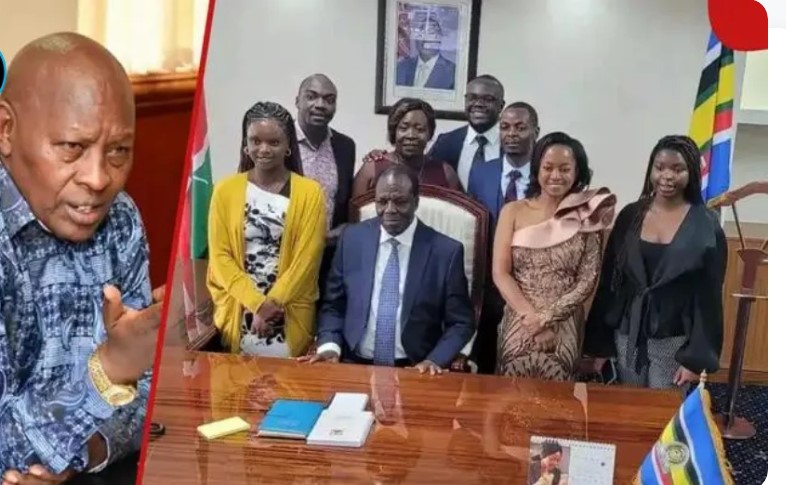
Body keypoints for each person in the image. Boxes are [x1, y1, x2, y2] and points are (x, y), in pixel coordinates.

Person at [0, 33, 163, 482]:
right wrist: (110, 370)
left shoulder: (120, 217)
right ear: (5, 129)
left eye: (118, 151)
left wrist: (83, 454)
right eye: (72, 148)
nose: (98, 179)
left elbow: (150, 393)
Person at [584, 135, 727, 389]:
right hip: (627, 333)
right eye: (660, 167)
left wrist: (695, 359)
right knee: (626, 406)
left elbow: (709, 298)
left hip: (675, 337)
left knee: (665, 408)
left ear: (692, 173)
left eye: (677, 169)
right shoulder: (630, 215)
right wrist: (600, 345)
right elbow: (610, 283)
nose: (667, 176)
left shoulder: (706, 225)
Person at [307, 165, 475, 373]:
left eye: (400, 202)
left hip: (415, 369)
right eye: (382, 201)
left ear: (416, 202)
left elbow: (461, 323)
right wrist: (330, 347)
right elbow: (333, 305)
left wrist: (434, 360)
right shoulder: (352, 239)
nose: (390, 210)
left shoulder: (445, 252)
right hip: (352, 363)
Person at [206, 102, 326, 358]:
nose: (263, 149)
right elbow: (220, 257)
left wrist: (272, 305)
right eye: (255, 141)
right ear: (245, 144)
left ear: (288, 145)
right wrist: (257, 304)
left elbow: (307, 260)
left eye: (274, 142)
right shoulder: (224, 191)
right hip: (239, 311)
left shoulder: (310, 193)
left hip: (289, 315)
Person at [493, 132, 615, 380]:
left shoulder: (587, 215)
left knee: (559, 382)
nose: (556, 176)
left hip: (565, 319)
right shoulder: (513, 211)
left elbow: (587, 280)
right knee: (511, 379)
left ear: (577, 172)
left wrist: (547, 318)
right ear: (537, 169)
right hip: (520, 314)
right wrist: (532, 320)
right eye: (548, 168)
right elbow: (500, 273)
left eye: (564, 169)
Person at [467, 101, 540, 374]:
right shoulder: (481, 172)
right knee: (485, 363)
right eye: (505, 127)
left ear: (535, 132)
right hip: (488, 285)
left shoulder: (545, 176)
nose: (511, 134)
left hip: (530, 287)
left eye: (520, 127)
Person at [293, 74, 356, 304]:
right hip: (287, 260)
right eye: (311, 97)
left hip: (329, 262)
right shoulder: (279, 141)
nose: (320, 104)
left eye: (329, 100)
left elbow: (345, 199)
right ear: (297, 101)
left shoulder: (345, 146)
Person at [352, 97, 461, 197]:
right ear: (393, 131)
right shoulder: (371, 169)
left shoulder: (446, 173)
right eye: (403, 128)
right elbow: (355, 210)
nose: (411, 135)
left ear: (430, 134)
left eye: (420, 129)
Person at [429, 75, 505, 189]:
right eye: (472, 97)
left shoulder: (513, 143)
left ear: (501, 106)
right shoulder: (445, 142)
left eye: (488, 99)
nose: (478, 104)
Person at [395, 15, 456, 90]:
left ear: (439, 39)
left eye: (431, 34)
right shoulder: (401, 67)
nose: (425, 39)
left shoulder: (453, 72)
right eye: (421, 34)